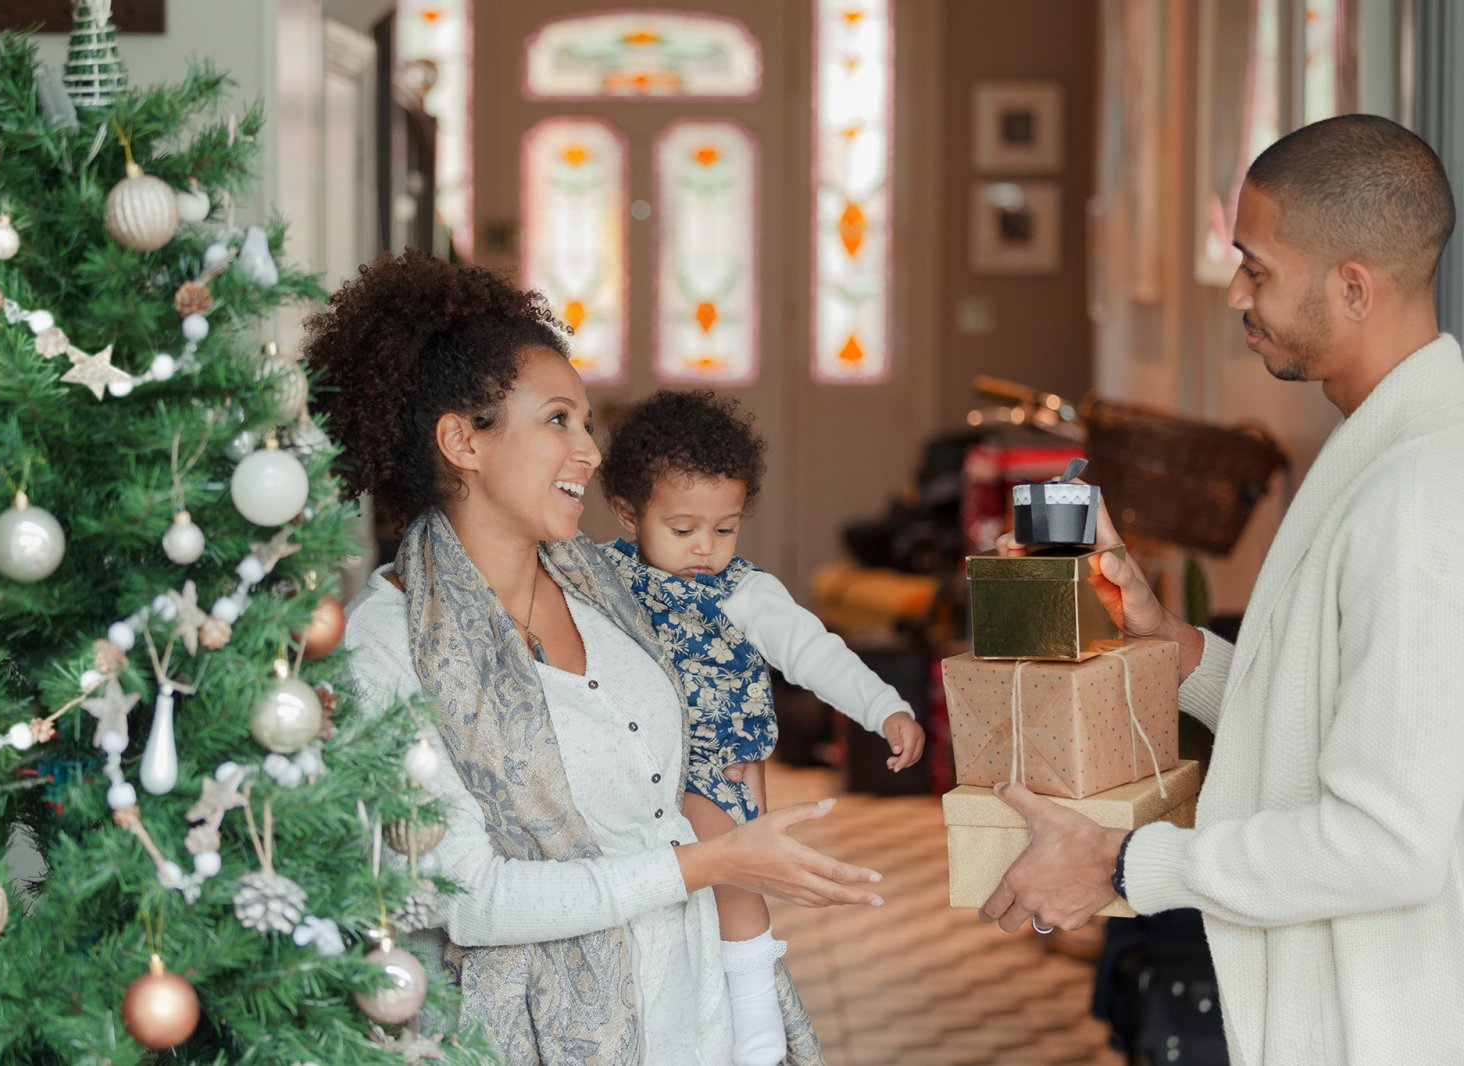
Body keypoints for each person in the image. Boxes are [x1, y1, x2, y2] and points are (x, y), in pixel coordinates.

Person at [305, 249, 886, 1065]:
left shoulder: (609, 584)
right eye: (557, 421)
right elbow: (469, 900)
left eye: (585, 422)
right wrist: (710, 862)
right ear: (462, 442)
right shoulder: (387, 643)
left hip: (699, 1016)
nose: (590, 450)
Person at [978, 113, 1464, 1064]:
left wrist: (1121, 863)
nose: (1238, 294)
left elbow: (1390, 845)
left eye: (1257, 267)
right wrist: (1170, 640)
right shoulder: (1377, 452)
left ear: (1353, 287)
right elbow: (1326, 721)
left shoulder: (1420, 495)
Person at [598, 390, 927, 1066]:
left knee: (736, 894)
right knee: (662, 918)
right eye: (684, 527)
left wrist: (883, 707)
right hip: (631, 780)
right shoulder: (600, 579)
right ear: (629, 513)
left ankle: (756, 1034)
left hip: (717, 772)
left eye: (725, 529)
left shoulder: (746, 593)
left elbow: (814, 652)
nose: (705, 548)